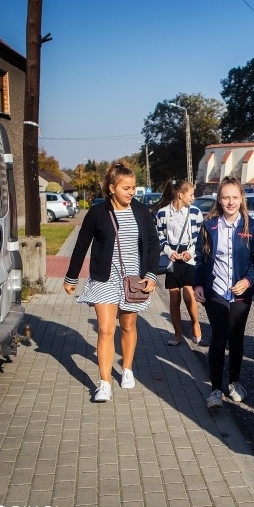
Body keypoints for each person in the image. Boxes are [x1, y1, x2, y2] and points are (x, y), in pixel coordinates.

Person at [64, 163, 160, 402]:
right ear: (111, 188)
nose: (131, 192)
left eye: (133, 187)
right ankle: (104, 382)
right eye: (126, 187)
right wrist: (71, 276)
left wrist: (151, 274)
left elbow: (153, 243)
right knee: (106, 329)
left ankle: (127, 368)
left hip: (133, 279)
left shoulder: (141, 211)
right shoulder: (97, 213)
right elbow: (81, 245)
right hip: (104, 278)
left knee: (127, 326)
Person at [194, 177, 254, 409]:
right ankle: (215, 389)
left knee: (236, 338)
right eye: (226, 197)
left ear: (242, 198)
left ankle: (234, 382)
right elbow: (201, 258)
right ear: (219, 199)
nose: (230, 202)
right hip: (215, 291)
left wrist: (247, 280)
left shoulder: (251, 226)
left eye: (235, 197)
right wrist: (198, 284)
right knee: (218, 337)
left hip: (241, 294)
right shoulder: (209, 226)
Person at [154, 180, 204, 346]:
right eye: (191, 194)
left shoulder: (195, 212)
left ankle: (195, 324)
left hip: (189, 257)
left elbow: (199, 238)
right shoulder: (162, 213)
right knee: (174, 298)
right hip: (172, 258)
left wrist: (189, 253)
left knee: (189, 294)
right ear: (180, 195)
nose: (194, 198)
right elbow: (160, 236)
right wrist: (169, 252)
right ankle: (177, 335)